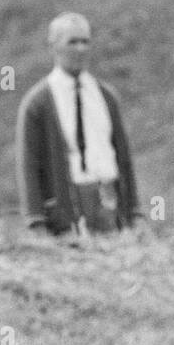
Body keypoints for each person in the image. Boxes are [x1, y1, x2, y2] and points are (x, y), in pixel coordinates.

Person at [16, 12, 141, 235]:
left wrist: (134, 211)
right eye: (72, 42)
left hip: (107, 203)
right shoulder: (38, 103)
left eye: (85, 41)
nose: (80, 49)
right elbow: (29, 164)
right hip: (66, 208)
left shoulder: (105, 97)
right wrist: (36, 221)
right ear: (54, 46)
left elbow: (123, 157)